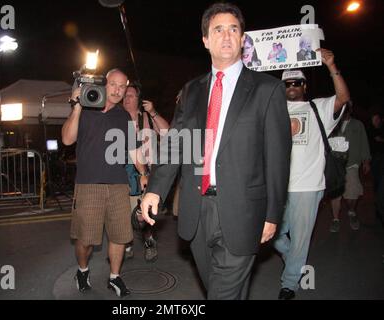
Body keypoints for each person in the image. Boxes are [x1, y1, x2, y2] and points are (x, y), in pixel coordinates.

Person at [141, 2, 292, 300]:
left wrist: (273, 213)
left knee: (222, 295)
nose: (226, 36)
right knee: (219, 290)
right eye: (218, 30)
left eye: (233, 29)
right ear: (206, 41)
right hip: (197, 212)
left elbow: (277, 158)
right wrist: (155, 189)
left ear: (242, 38)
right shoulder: (191, 91)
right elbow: (176, 143)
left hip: (244, 211)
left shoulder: (267, 90)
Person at [62, 69, 148, 297]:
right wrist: (77, 105)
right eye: (113, 85)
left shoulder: (123, 117)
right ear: (104, 84)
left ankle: (114, 277)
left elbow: (133, 149)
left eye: (122, 87)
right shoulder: (86, 109)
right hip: (89, 184)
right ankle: (82, 270)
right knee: (86, 239)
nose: (118, 90)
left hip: (119, 184)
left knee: (121, 235)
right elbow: (67, 138)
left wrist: (143, 172)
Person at [274, 49, 350, 300]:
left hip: (307, 186)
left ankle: (290, 283)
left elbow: (343, 97)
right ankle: (294, 259)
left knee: (300, 239)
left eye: (297, 82)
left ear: (304, 85)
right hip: (278, 187)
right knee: (270, 235)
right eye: (287, 83)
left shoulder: (318, 108)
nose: (292, 87)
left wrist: (331, 65)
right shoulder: (274, 111)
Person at [122, 83, 169, 262]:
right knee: (124, 211)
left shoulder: (147, 118)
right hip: (123, 173)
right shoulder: (117, 118)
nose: (126, 99)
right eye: (125, 95)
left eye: (131, 96)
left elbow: (168, 133)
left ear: (139, 100)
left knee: (145, 212)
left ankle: (149, 242)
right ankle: (126, 243)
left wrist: (153, 112)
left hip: (147, 173)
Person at [329, 102, 371, 233]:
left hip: (351, 164)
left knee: (352, 194)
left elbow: (364, 142)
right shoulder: (333, 124)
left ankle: (352, 211)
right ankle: (335, 219)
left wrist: (366, 161)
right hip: (335, 165)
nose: (344, 110)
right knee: (335, 195)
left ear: (351, 109)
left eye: (347, 108)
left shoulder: (358, 125)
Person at [368, 112, 384, 226]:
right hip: (375, 161)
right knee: (377, 185)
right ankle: (378, 210)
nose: (376, 121)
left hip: (381, 160)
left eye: (377, 119)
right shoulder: (370, 131)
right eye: (374, 119)